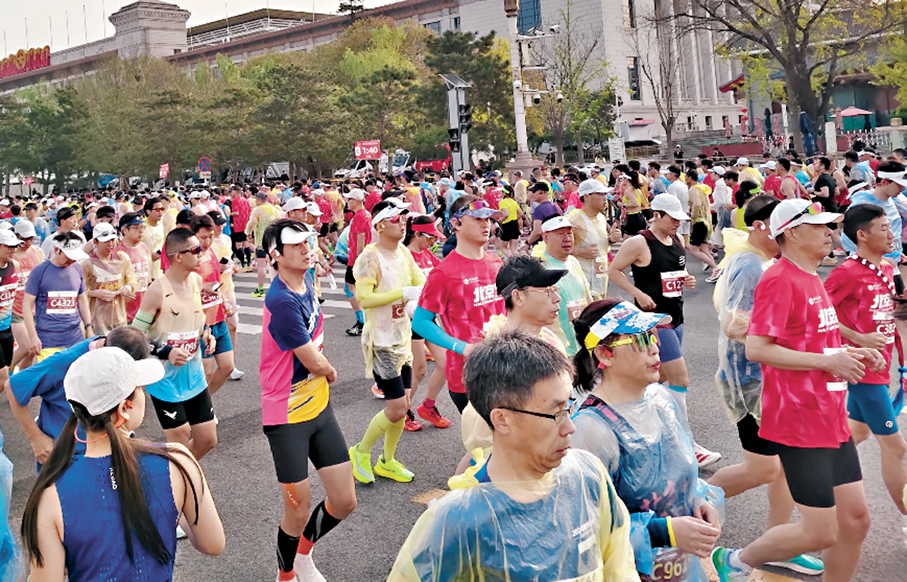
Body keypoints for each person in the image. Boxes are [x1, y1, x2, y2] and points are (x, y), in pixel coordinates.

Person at [711, 198, 881, 582]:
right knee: (820, 531)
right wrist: (828, 362)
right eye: (819, 226)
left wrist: (852, 352)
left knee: (855, 521)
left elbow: (814, 340)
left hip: (829, 415)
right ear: (790, 232)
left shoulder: (811, 277)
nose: (829, 232)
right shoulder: (777, 279)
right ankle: (735, 560)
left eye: (830, 226)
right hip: (799, 421)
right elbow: (757, 348)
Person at [386, 330, 638, 582]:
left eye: (569, 406)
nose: (570, 427)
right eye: (556, 413)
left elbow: (620, 567)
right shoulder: (458, 521)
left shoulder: (588, 476)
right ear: (503, 420)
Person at [19, 346, 225, 579]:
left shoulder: (49, 496)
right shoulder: (178, 461)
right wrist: (173, 507)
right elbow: (213, 544)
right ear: (124, 408)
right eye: (139, 389)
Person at [707, 195, 825, 575]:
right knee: (763, 470)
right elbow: (735, 324)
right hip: (750, 382)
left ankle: (778, 541)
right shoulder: (749, 265)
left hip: (770, 380)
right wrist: (792, 339)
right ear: (761, 226)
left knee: (780, 468)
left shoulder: (763, 262)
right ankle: (685, 507)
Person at [571, 300, 725, 581]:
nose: (655, 347)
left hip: (682, 569)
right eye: (640, 339)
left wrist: (698, 499)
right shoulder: (591, 431)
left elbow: (680, 473)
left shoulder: (660, 399)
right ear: (605, 354)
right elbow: (581, 528)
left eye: (653, 335)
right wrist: (663, 532)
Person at [259, 219, 357, 582]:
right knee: (296, 512)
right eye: (297, 244)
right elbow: (312, 361)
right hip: (286, 415)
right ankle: (284, 576)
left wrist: (324, 378)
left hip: (319, 408)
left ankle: (303, 556)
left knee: (344, 500)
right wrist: (329, 371)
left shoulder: (306, 281)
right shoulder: (280, 299)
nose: (307, 248)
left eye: (309, 241)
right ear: (275, 255)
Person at [608, 194, 721, 468]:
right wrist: (637, 294)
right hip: (653, 319)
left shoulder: (678, 241)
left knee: (656, 378)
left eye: (679, 219)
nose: (676, 224)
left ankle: (620, 418)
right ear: (657, 215)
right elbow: (614, 271)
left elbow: (676, 275)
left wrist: (688, 280)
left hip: (677, 314)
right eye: (672, 219)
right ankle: (687, 444)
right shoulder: (639, 242)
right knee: (680, 378)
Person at [826, 204, 907, 529]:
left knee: (855, 432)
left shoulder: (887, 267)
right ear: (862, 235)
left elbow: (892, 313)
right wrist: (857, 336)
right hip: (861, 370)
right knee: (897, 447)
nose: (892, 233)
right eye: (885, 228)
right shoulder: (846, 272)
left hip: (882, 364)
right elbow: (819, 313)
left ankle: (815, 473)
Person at [348, 201, 425, 484]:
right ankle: (360, 451)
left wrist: (418, 296)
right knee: (395, 408)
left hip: (402, 339)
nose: (402, 223)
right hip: (381, 343)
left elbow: (419, 282)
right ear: (379, 225)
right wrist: (401, 293)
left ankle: (388, 461)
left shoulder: (403, 252)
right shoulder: (370, 258)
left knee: (403, 405)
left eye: (403, 219)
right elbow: (364, 298)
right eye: (395, 219)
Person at [412, 196, 505, 414]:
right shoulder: (444, 273)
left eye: (489, 219)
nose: (487, 225)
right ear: (456, 223)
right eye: (478, 218)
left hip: (503, 367)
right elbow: (420, 322)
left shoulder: (495, 262)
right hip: (468, 376)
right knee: (482, 445)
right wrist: (462, 347)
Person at [132, 228, 218, 461]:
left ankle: (171, 471)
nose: (201, 253)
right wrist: (166, 351)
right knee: (179, 443)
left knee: (208, 439)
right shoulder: (157, 290)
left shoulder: (197, 281)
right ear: (178, 256)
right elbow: (133, 337)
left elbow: (196, 321)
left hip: (194, 376)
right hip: (165, 381)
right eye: (196, 249)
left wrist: (206, 335)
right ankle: (179, 480)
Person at [403, 215, 451, 432]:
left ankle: (428, 406)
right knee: (419, 369)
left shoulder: (428, 256)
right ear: (416, 234)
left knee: (447, 363)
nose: (433, 241)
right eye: (430, 237)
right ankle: (403, 411)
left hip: (429, 317)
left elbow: (445, 275)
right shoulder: (403, 256)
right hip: (409, 319)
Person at [23, 233, 93, 362]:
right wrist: (32, 336)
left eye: (75, 258)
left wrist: (89, 327)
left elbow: (82, 298)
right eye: (68, 257)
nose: (71, 261)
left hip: (75, 338)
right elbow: (27, 304)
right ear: (57, 250)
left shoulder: (77, 268)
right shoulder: (39, 271)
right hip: (48, 339)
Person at [191, 215, 237, 396]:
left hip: (218, 316)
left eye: (210, 236)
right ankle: (200, 410)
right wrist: (203, 287)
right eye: (203, 237)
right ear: (193, 235)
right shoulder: (188, 256)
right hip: (201, 321)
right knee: (206, 371)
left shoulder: (212, 251)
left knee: (227, 366)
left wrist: (224, 303)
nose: (208, 241)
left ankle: (204, 403)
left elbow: (217, 281)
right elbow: (178, 284)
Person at [536, 215, 591, 355]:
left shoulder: (573, 262)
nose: (567, 238)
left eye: (569, 233)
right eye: (560, 234)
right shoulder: (540, 266)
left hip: (583, 344)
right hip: (558, 349)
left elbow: (587, 298)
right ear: (546, 238)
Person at [80, 222, 136, 335]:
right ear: (95, 242)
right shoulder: (87, 264)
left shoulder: (122, 258)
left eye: (112, 240)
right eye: (105, 241)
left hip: (119, 315)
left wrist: (128, 287)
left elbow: (132, 279)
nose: (110, 244)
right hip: (96, 318)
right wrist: (96, 293)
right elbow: (80, 292)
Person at [9, 220, 45, 371]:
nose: (28, 242)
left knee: (32, 351)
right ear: (16, 236)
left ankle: (20, 381)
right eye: (25, 239)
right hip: (14, 309)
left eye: (31, 238)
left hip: (34, 308)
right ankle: (7, 373)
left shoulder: (38, 253)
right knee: (25, 346)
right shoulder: (10, 256)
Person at [568, 179, 611, 300]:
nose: (605, 198)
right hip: (583, 281)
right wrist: (578, 251)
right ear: (587, 196)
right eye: (600, 194)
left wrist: (611, 240)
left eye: (605, 194)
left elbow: (600, 246)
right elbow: (549, 246)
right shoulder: (574, 219)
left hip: (601, 279)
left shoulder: (601, 218)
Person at [344, 188, 370, 337]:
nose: (347, 202)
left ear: (356, 201)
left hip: (356, 258)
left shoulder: (360, 216)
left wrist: (359, 260)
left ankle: (361, 321)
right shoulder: (365, 215)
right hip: (359, 256)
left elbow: (360, 238)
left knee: (351, 288)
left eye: (349, 199)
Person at [246, 190, 282, 298]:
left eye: (256, 199)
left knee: (261, 265)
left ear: (260, 199)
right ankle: (278, 287)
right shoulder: (274, 209)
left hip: (261, 241)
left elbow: (251, 223)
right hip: (274, 241)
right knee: (275, 265)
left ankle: (260, 289)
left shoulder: (258, 209)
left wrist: (247, 232)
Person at [142, 197, 166, 281]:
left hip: (159, 271)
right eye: (157, 209)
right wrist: (148, 255)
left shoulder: (161, 226)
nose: (160, 212)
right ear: (148, 211)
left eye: (162, 209)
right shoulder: (141, 227)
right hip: (144, 271)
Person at [497, 185, 523, 257]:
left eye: (501, 191)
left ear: (505, 193)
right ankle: (518, 261)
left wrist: (499, 221)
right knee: (514, 249)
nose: (500, 193)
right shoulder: (514, 202)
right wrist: (515, 218)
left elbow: (505, 214)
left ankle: (512, 261)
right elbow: (521, 214)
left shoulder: (502, 202)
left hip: (506, 226)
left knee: (503, 247)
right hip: (515, 225)